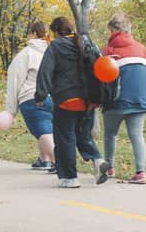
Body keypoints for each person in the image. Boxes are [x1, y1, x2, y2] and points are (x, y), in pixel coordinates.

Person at [34, 16, 107, 188]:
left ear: (57, 31)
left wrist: (40, 96)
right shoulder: (85, 43)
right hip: (89, 100)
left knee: (65, 137)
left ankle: (69, 178)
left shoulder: (56, 46)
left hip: (67, 100)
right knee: (83, 135)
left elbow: (45, 71)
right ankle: (98, 160)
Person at [99, 12, 146, 184]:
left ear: (112, 30)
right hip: (140, 99)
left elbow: (100, 76)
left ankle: (109, 167)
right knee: (137, 135)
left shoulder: (107, 51)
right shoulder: (142, 49)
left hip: (115, 101)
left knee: (110, 133)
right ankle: (141, 172)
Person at [4, 20, 55, 171]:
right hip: (54, 97)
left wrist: (11, 110)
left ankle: (58, 161)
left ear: (33, 33)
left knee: (42, 130)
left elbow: (15, 80)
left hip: (32, 97)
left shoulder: (26, 54)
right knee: (46, 128)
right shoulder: (53, 52)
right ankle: (43, 159)